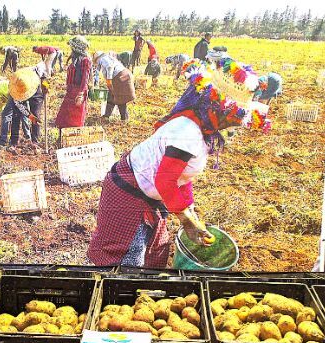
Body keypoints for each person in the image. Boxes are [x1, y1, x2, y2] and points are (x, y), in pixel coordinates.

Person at [87, 60, 270, 267]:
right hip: (128, 194)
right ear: (219, 110)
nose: (236, 122)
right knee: (128, 260)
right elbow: (165, 180)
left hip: (146, 194)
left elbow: (182, 177)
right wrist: (186, 221)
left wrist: (191, 212)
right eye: (235, 116)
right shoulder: (187, 133)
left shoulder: (203, 130)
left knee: (154, 253)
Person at [55, 36, 92, 143]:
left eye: (72, 47)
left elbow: (85, 79)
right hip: (70, 92)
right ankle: (62, 140)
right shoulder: (75, 59)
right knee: (64, 118)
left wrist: (81, 94)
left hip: (78, 92)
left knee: (75, 120)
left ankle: (73, 142)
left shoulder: (85, 60)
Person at [7, 65, 47, 151]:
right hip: (20, 90)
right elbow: (19, 105)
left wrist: (44, 82)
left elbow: (43, 67)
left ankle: (35, 141)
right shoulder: (16, 83)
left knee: (36, 115)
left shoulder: (36, 72)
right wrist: (29, 115)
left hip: (36, 89)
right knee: (16, 115)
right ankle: (14, 141)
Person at [93, 51, 135, 122]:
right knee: (111, 96)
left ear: (97, 58)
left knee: (120, 98)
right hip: (122, 75)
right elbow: (97, 72)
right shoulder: (107, 58)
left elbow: (109, 67)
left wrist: (109, 80)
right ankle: (106, 116)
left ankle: (124, 119)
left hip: (120, 77)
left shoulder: (103, 59)